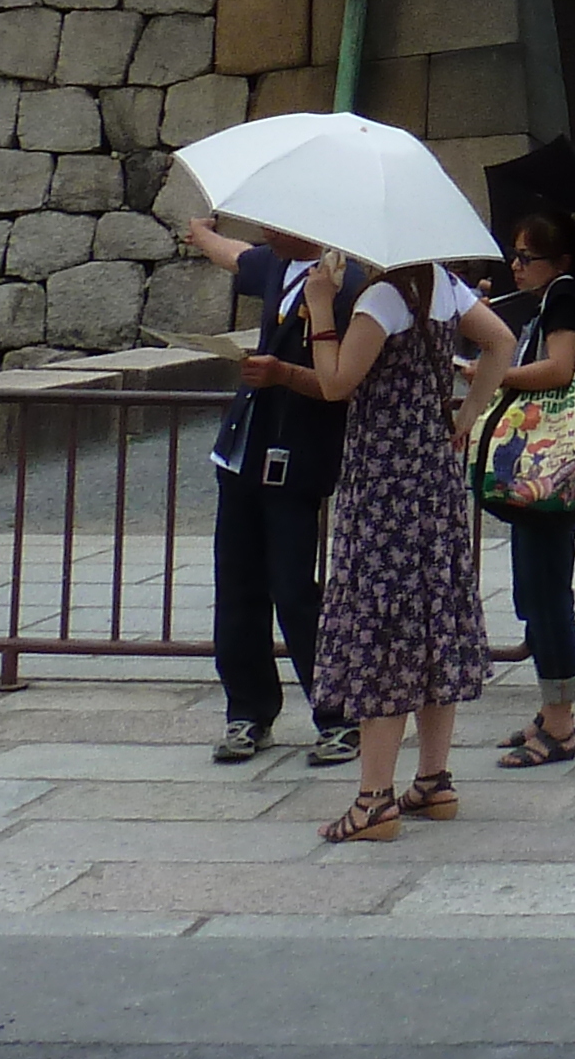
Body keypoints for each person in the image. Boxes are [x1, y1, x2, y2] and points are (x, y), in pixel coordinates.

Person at [274, 250, 517, 843]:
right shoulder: (444, 286)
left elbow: (336, 383)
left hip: (383, 483)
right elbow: (502, 341)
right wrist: (467, 413)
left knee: (383, 626)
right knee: (433, 616)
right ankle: (433, 780)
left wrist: (321, 308)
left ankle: (373, 799)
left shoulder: (381, 300)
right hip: (431, 476)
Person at [172, 207, 354, 767]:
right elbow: (237, 257)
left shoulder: (345, 287)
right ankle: (247, 709)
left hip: (298, 447)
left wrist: (282, 374)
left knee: (295, 589)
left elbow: (340, 381)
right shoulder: (277, 266)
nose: (266, 232)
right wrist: (200, 231)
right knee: (237, 584)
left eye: (277, 222)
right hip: (245, 446)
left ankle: (336, 712)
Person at [487, 209, 575, 769]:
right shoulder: (552, 299)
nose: (516, 265)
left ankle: (561, 724)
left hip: (550, 470)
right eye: (514, 254)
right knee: (534, 589)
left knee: (547, 591)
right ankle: (549, 706)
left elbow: (560, 369)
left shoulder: (565, 295)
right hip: (545, 470)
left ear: (559, 261)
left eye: (526, 257)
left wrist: (497, 374)